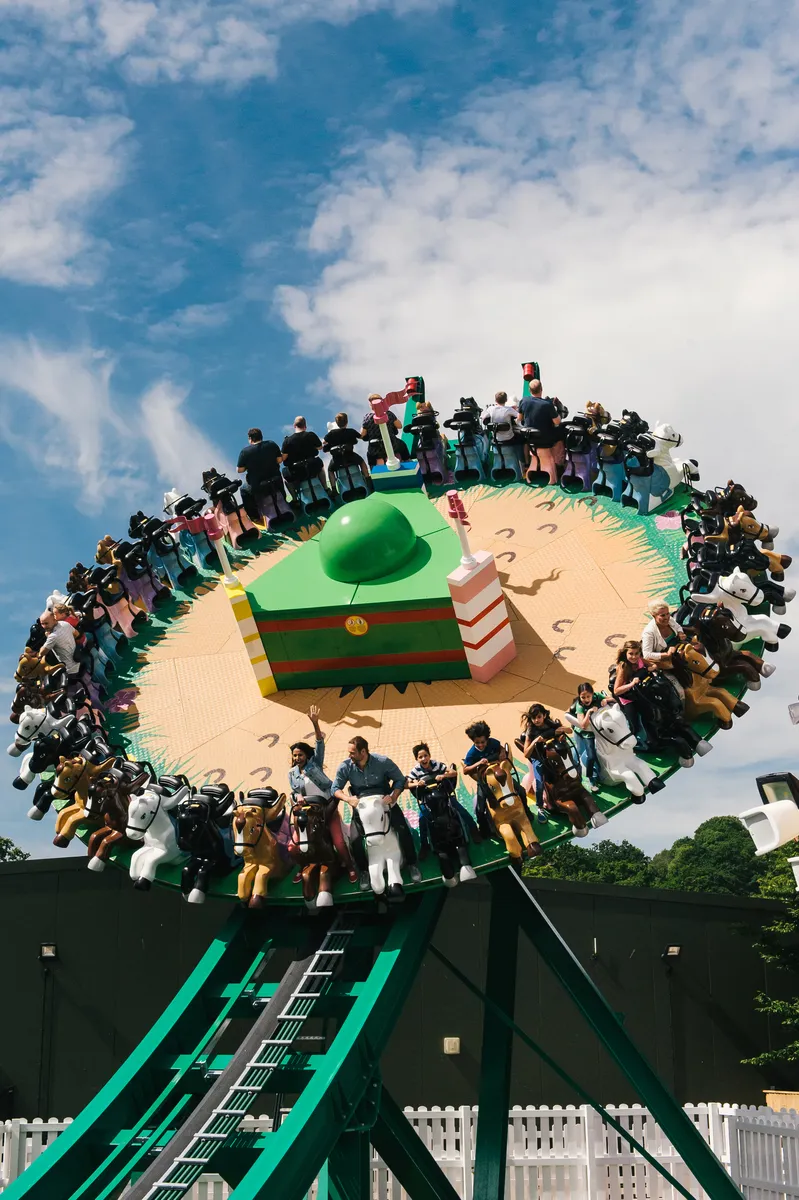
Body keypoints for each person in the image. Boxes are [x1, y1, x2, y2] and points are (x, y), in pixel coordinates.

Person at [333, 736, 421, 887]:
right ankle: (364, 871)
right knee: (354, 838)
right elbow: (335, 789)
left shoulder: (382, 762)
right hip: (361, 806)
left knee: (402, 829)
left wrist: (393, 796)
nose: (349, 756)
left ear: (363, 751)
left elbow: (400, 780)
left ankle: (412, 864)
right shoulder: (345, 766)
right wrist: (348, 799)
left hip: (383, 803)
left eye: (352, 753)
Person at [287, 705, 357, 884]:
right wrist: (297, 798)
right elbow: (293, 793)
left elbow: (319, 743)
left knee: (339, 843)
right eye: (294, 756)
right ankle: (302, 866)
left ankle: (349, 867)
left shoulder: (314, 764)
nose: (297, 759)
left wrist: (315, 724)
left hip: (326, 810)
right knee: (293, 847)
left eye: (300, 755)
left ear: (306, 755)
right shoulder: (292, 774)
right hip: (307, 813)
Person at [406, 743, 480, 855]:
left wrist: (444, 776)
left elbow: (453, 772)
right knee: (422, 818)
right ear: (417, 759)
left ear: (429, 756)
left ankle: (473, 829)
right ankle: (424, 844)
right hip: (428, 800)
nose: (424, 759)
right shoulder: (416, 771)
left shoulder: (437, 764)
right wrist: (417, 783)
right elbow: (406, 784)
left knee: (458, 808)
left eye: (425, 755)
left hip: (443, 796)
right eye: (420, 757)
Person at [519, 704, 572, 807]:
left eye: (539, 717)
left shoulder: (550, 724)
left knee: (571, 766)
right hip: (539, 757)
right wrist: (535, 741)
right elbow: (526, 753)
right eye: (533, 718)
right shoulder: (531, 731)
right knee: (539, 784)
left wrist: (561, 730)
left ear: (544, 715)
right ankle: (540, 806)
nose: (536, 720)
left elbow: (570, 730)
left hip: (552, 755)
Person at [236, 427, 284, 522]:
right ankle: (284, 500)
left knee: (244, 490)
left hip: (259, 487)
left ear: (250, 438)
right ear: (261, 436)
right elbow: (280, 460)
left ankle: (255, 516)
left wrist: (248, 466)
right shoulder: (271, 444)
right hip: (276, 481)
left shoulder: (245, 452)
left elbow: (239, 470)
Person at [568, 683, 609, 791]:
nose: (586, 699)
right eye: (583, 697)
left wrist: (606, 700)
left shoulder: (597, 696)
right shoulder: (580, 706)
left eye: (588, 696)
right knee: (587, 755)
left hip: (598, 730)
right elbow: (582, 725)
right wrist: (589, 712)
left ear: (592, 694)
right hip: (585, 733)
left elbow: (611, 698)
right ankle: (591, 779)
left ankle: (600, 772)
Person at [612, 640, 649, 748]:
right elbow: (616, 690)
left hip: (639, 693)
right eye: (631, 654)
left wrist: (651, 667)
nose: (634, 656)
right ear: (625, 654)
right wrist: (631, 684)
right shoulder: (623, 667)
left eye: (636, 653)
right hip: (628, 697)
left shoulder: (639, 660)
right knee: (634, 725)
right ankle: (630, 742)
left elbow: (650, 664)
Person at [518, 380, 564, 468]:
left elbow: (519, 418)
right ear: (541, 389)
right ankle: (559, 463)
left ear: (529, 390)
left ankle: (528, 464)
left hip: (530, 439)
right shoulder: (547, 404)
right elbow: (557, 422)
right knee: (562, 433)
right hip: (545, 440)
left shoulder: (524, 401)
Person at [323, 413, 370, 487]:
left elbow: (324, 442)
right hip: (351, 457)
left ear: (337, 423)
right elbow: (361, 437)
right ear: (347, 422)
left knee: (330, 470)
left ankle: (333, 488)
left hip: (337, 460)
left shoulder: (331, 433)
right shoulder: (351, 431)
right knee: (362, 462)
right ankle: (368, 480)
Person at [281, 417, 326, 491]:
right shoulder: (311, 435)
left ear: (294, 425)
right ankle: (326, 489)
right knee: (320, 468)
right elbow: (320, 447)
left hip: (297, 472)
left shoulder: (287, 441)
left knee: (286, 476)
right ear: (305, 426)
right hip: (313, 467)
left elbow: (283, 458)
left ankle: (295, 499)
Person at [361, 402, 410, 468]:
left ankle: (373, 470)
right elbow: (399, 426)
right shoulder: (389, 414)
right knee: (403, 445)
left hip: (375, 448)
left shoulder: (367, 417)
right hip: (392, 444)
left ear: (371, 406)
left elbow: (362, 434)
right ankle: (407, 462)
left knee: (369, 455)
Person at [39, 606, 81, 677]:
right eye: (42, 624)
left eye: (46, 623)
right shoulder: (65, 624)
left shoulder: (53, 636)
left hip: (70, 671)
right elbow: (77, 634)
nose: (44, 626)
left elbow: (42, 653)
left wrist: (48, 637)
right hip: (79, 660)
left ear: (54, 620)